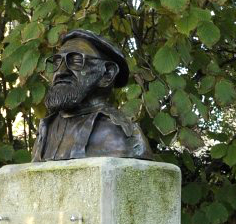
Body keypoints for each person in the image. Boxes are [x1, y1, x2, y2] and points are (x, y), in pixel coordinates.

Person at [31, 29, 153, 162]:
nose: (60, 72)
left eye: (76, 61)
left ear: (107, 74)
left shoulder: (122, 135)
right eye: (56, 62)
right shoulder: (45, 130)